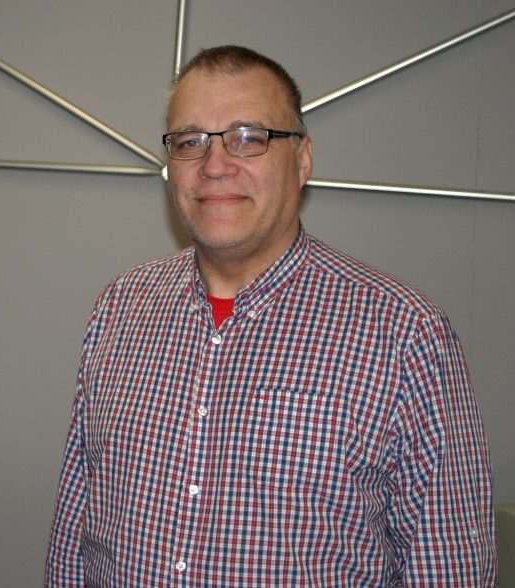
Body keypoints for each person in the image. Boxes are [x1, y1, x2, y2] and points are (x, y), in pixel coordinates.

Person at [45, 46, 494, 586]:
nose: (214, 165)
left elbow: (449, 566)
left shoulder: (404, 334)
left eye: (248, 137)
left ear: (302, 159)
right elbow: (77, 529)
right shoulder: (121, 307)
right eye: (190, 141)